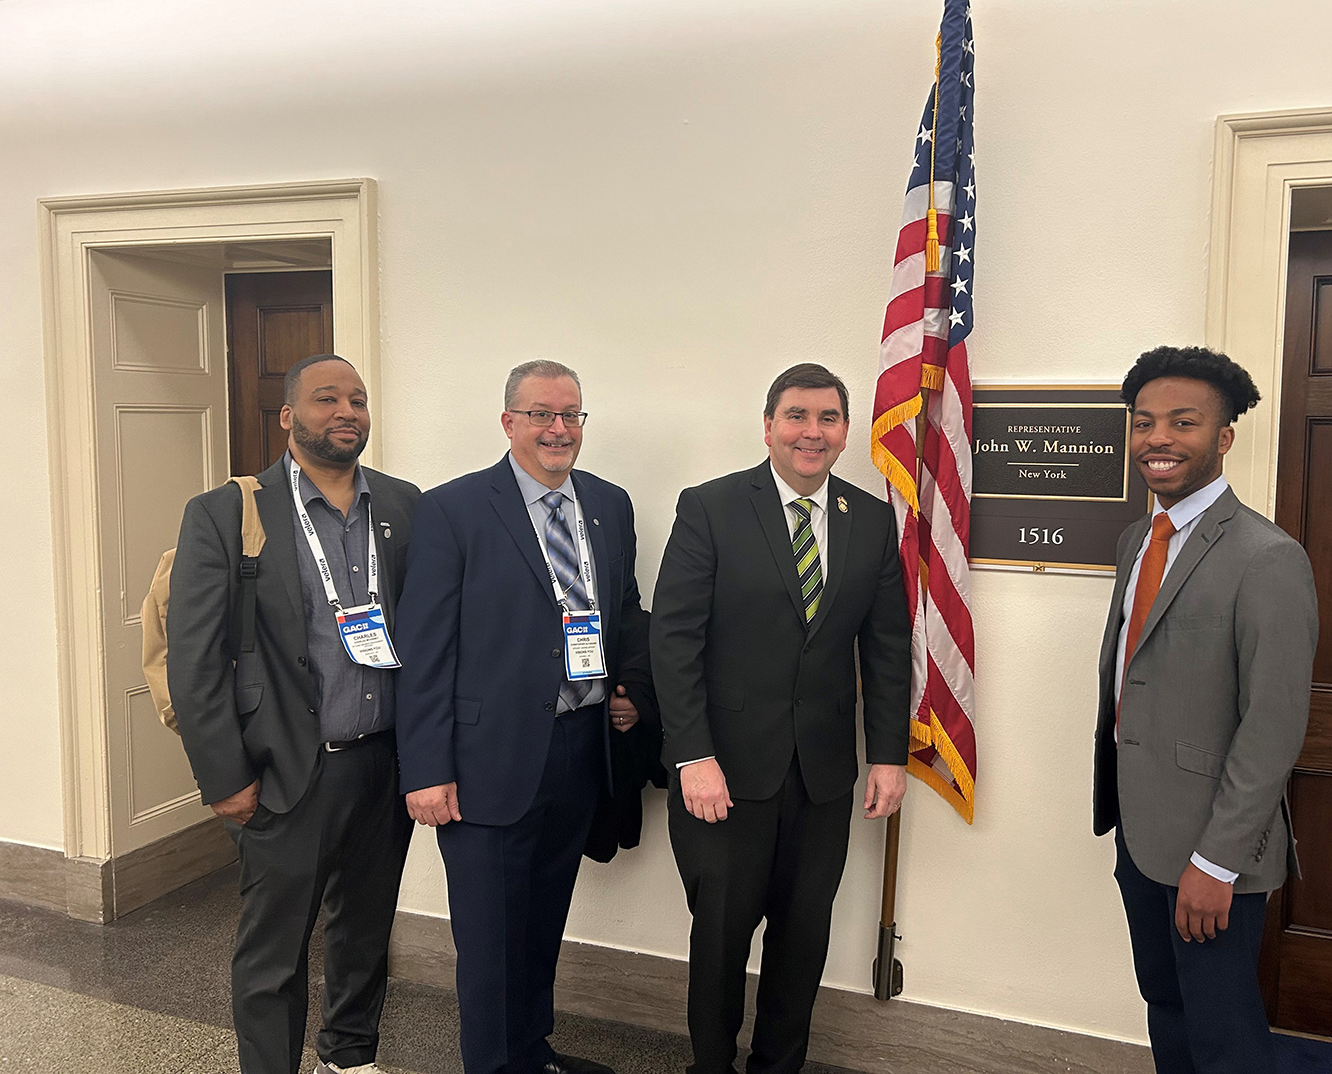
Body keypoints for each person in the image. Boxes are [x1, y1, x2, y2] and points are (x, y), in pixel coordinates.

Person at [651, 362, 911, 1074]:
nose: (812, 432)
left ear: (845, 431)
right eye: (797, 415)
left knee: (803, 941)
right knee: (722, 942)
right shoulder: (710, 507)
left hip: (823, 776)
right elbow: (674, 641)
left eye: (828, 418)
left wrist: (889, 754)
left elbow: (887, 646)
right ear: (768, 426)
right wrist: (691, 754)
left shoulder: (871, 518)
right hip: (724, 775)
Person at [395, 359, 654, 1074]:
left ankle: (530, 1051)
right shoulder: (453, 509)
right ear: (508, 422)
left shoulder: (608, 503)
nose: (558, 428)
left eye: (571, 414)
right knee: (489, 939)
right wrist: (426, 769)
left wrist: (627, 687)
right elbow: (425, 647)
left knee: (542, 921)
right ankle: (491, 1063)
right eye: (541, 413)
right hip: (485, 764)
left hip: (578, 748)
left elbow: (621, 612)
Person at [169, 353, 419, 1074]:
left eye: (359, 399)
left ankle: (349, 1055)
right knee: (275, 949)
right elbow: (196, 657)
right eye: (326, 398)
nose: (347, 411)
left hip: (384, 763)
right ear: (287, 416)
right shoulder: (226, 511)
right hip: (286, 769)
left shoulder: (404, 505)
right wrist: (224, 777)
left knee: (366, 933)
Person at [1094, 346, 1318, 1074]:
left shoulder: (1267, 556)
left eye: (1183, 422)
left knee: (1223, 1032)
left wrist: (1216, 860)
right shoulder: (1136, 540)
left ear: (1223, 437)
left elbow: (1273, 725)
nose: (1158, 438)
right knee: (1166, 1004)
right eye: (1145, 423)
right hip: (1140, 831)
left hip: (1211, 849)